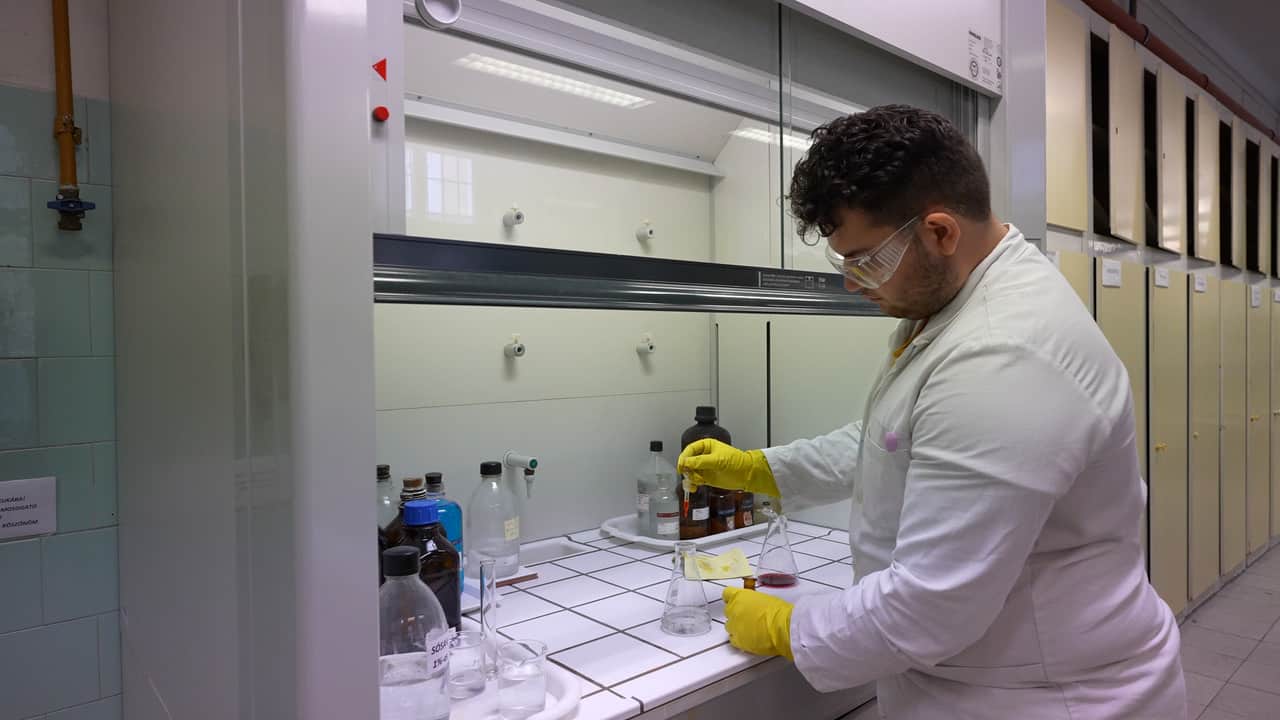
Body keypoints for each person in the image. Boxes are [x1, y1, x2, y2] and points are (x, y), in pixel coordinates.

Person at [678, 105, 1185, 719]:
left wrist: (792, 627)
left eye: (865, 259)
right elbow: (894, 440)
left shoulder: (1003, 353)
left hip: (1047, 698)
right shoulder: (962, 303)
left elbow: (930, 605)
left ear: (941, 232)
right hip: (980, 676)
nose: (852, 283)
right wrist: (764, 468)